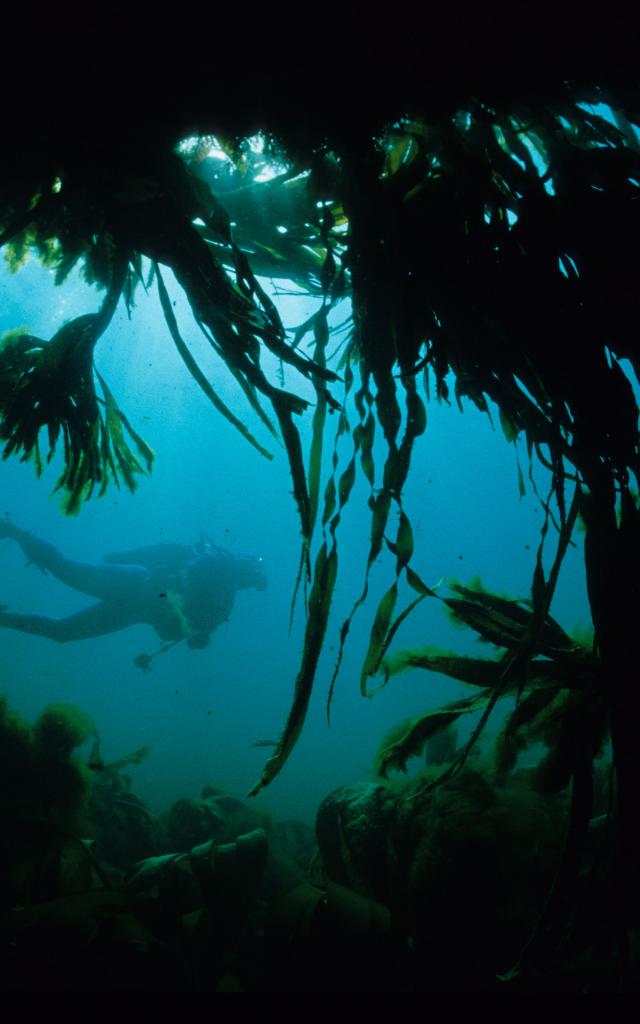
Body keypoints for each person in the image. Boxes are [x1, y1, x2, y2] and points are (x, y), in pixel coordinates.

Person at [0, 519, 267, 651]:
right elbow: (181, 629)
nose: (247, 578)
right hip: (138, 594)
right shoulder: (220, 579)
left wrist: (127, 557)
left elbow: (167, 553)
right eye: (251, 574)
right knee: (65, 618)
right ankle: (13, 532)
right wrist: (199, 634)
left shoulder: (221, 596)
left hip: (136, 590)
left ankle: (13, 533)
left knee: (65, 609)